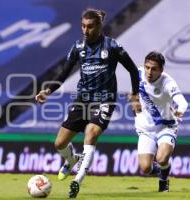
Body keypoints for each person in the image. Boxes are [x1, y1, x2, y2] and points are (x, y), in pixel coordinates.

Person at [35, 8, 141, 198]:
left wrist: (134, 95)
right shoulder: (77, 47)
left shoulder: (112, 46)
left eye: (90, 27)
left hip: (104, 100)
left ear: (99, 26)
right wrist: (48, 90)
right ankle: (72, 159)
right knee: (59, 143)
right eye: (83, 26)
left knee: (91, 134)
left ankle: (77, 181)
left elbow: (133, 70)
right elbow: (64, 73)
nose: (85, 30)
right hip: (82, 100)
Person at [134, 51, 188, 192]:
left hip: (166, 126)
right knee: (145, 168)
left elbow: (183, 103)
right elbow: (133, 90)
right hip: (146, 129)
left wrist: (180, 111)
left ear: (161, 70)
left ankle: (164, 180)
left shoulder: (168, 83)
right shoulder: (138, 73)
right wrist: (133, 100)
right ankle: (162, 170)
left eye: (154, 69)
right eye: (147, 67)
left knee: (162, 158)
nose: (149, 72)